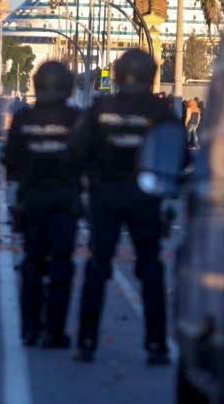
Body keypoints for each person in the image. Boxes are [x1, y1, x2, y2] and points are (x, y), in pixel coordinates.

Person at [72, 49, 178, 365]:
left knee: (97, 267)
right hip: (146, 198)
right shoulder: (161, 112)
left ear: (117, 75)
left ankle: (87, 343)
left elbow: (76, 150)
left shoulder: (100, 109)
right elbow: (177, 155)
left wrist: (84, 184)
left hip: (104, 197)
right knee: (150, 270)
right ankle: (157, 346)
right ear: (151, 75)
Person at [2, 62, 82, 348]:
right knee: (62, 264)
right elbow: (89, 159)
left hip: (32, 200)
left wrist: (14, 199)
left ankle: (29, 328)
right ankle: (55, 331)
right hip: (65, 201)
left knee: (32, 264)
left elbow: (10, 160)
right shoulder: (77, 119)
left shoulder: (24, 119)